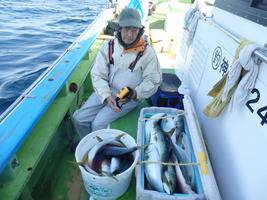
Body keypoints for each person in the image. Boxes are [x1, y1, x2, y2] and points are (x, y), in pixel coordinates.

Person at [72, 7, 162, 139]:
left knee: (97, 124)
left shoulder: (148, 53)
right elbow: (98, 74)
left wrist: (136, 93)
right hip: (106, 90)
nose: (130, 35)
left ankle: (100, 152)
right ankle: (88, 144)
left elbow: (153, 81)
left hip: (128, 97)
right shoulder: (108, 46)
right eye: (126, 29)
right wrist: (105, 95)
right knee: (78, 118)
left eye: (134, 30)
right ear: (119, 28)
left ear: (140, 30)